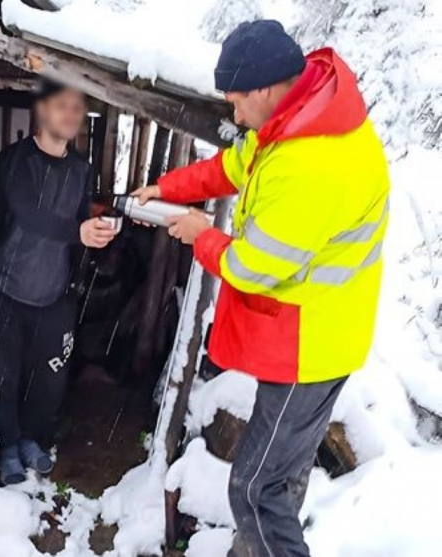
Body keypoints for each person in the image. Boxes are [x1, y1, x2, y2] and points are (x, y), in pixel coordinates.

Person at [134, 20, 389, 557]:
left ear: (265, 89)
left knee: (254, 490)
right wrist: (166, 187)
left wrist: (201, 237)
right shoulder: (296, 121)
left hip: (311, 345)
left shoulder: (312, 162)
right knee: (282, 479)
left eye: (235, 101)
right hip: (317, 332)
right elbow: (233, 165)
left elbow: (252, 267)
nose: (232, 113)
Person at [0, 81, 118, 485]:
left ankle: (32, 440)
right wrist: (79, 231)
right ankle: (6, 444)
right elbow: (28, 213)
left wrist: (95, 233)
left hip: (54, 293)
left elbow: (77, 222)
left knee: (50, 379)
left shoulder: (80, 169)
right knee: (1, 375)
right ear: (42, 111)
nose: (71, 114)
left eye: (77, 107)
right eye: (61, 105)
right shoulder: (14, 160)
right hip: (3, 287)